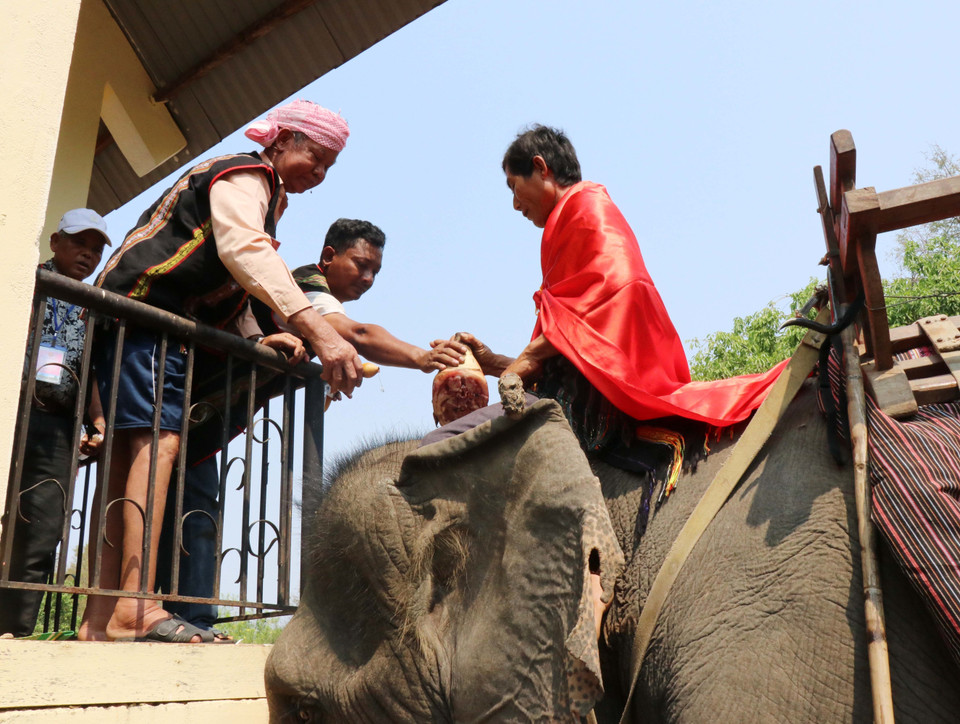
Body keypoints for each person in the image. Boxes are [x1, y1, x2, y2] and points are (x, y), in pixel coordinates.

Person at [80, 100, 359, 644]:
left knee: (127, 455)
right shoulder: (247, 173)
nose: (319, 174)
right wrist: (320, 333)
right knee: (157, 447)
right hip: (147, 318)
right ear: (281, 142)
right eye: (315, 157)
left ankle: (101, 614)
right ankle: (136, 604)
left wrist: (258, 338)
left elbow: (228, 285)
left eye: (329, 167)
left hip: (129, 320)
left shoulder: (261, 191)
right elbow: (244, 251)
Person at [155, 217, 467, 637]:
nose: (368, 278)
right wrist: (421, 357)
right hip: (190, 409)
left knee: (190, 510)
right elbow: (353, 331)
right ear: (328, 258)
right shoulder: (304, 288)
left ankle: (184, 615)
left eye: (376, 271)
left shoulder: (311, 293)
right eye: (360, 264)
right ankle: (189, 619)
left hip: (204, 419)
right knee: (193, 513)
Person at [425, 124, 786, 465]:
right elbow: (572, 349)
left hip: (597, 406)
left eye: (512, 186)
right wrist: (491, 363)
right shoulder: (563, 224)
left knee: (435, 447)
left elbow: (619, 289)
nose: (515, 204)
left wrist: (526, 359)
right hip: (576, 391)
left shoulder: (587, 208)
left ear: (540, 167)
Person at [0, 209, 110, 636]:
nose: (88, 254)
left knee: (42, 529)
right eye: (80, 243)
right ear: (55, 242)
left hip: (59, 424)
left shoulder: (90, 305)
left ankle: (15, 633)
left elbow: (91, 369)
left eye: (97, 248)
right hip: (13, 412)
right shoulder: (24, 281)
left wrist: (97, 423)